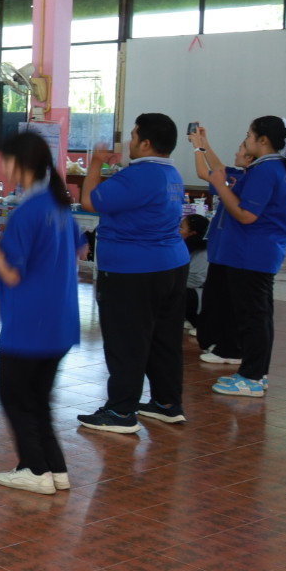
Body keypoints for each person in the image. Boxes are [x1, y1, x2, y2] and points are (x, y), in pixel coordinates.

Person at [0, 132, 81, 495]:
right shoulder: (58, 205)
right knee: (37, 399)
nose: (3, 166)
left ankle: (35, 469)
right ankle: (55, 468)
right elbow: (79, 251)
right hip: (60, 320)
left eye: (6, 160)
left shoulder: (28, 212)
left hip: (30, 323)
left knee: (13, 394)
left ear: (19, 164)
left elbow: (12, 273)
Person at [77, 113, 191, 433]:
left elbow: (89, 201)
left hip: (133, 269)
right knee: (164, 339)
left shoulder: (139, 175)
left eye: (134, 135)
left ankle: (121, 411)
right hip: (171, 264)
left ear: (146, 143)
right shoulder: (171, 173)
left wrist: (96, 163)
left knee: (126, 340)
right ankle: (167, 403)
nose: (130, 141)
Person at [191, 117, 286, 397]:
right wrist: (203, 146)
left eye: (249, 136)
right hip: (250, 253)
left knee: (254, 318)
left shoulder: (267, 170)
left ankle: (252, 376)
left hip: (252, 254)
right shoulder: (267, 167)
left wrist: (221, 186)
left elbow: (246, 215)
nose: (245, 141)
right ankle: (254, 373)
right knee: (254, 316)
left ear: (263, 140)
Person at [182, 213, 210, 335]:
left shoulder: (202, 252)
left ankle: (198, 322)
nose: (177, 230)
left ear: (192, 233)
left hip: (198, 294)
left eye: (181, 227)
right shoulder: (186, 247)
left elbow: (195, 280)